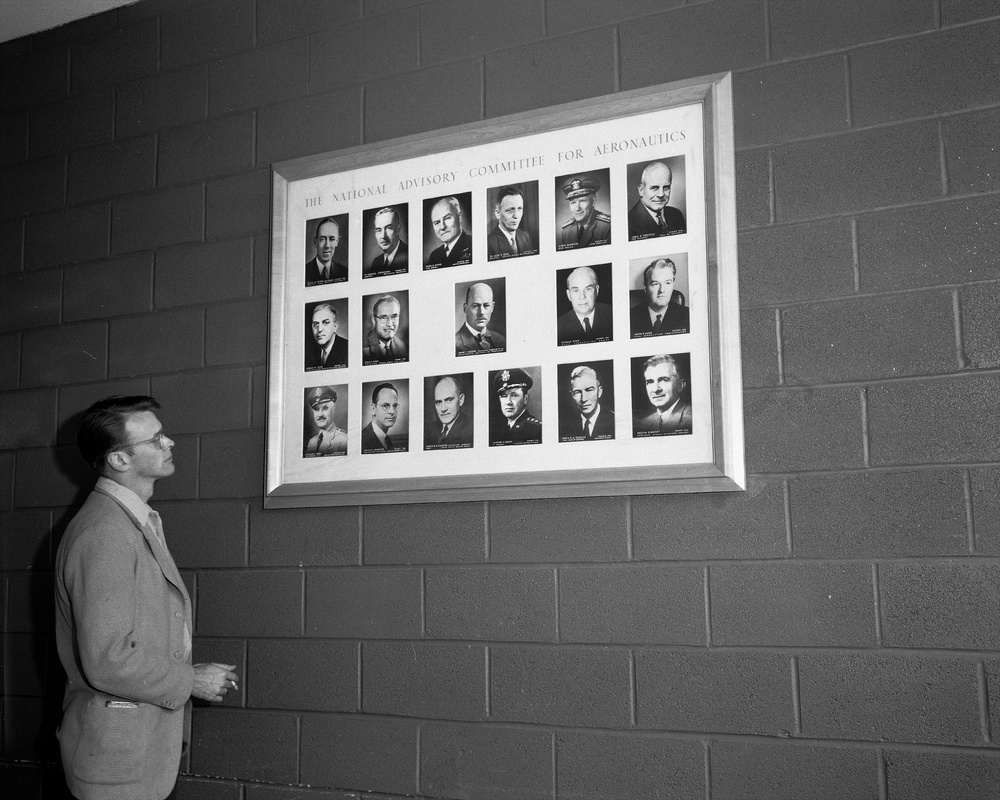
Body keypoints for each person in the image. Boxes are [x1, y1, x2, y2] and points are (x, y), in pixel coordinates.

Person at [54, 396, 238, 800]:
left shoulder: (127, 519)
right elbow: (108, 660)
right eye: (155, 439)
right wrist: (192, 680)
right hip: (116, 763)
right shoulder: (105, 533)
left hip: (134, 754)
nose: (168, 442)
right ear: (120, 460)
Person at [629, 258, 690, 337]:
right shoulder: (630, 317)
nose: (662, 290)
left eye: (667, 283)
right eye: (655, 284)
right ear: (645, 287)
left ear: (673, 284)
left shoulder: (687, 315)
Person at [635, 354, 692, 435]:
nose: (655, 389)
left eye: (664, 380)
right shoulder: (644, 423)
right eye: (650, 382)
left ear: (680, 385)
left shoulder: (692, 420)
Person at [627, 161, 686, 240]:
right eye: (654, 188)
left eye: (666, 187)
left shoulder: (676, 215)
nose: (661, 194)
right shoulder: (628, 223)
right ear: (641, 190)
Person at [556, 266, 613, 344]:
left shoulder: (613, 314)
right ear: (569, 295)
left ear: (596, 290)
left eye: (588, 289)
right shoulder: (558, 326)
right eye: (576, 291)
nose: (582, 297)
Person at [560, 365, 614, 442]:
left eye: (589, 390)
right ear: (571, 394)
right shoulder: (564, 428)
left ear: (600, 391)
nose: (583, 399)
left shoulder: (615, 422)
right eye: (577, 392)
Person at [491, 368, 541, 445]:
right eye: (504, 396)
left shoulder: (537, 429)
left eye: (514, 395)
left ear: (525, 398)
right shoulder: (500, 430)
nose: (508, 402)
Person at [558, 175, 611, 249]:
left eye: (582, 201)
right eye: (573, 202)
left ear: (593, 201)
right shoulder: (566, 231)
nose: (577, 208)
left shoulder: (607, 227)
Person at [455, 282, 506, 354]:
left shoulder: (501, 340)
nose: (481, 312)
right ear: (465, 308)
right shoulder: (454, 345)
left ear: (492, 307)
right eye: (475, 306)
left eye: (486, 305)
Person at [426, 375, 473, 448]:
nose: (443, 409)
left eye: (449, 400)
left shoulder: (471, 430)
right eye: (438, 402)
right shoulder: (429, 430)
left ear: (461, 400)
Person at [487, 186, 533, 258]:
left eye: (519, 208)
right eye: (510, 210)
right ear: (498, 213)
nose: (516, 216)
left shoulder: (526, 237)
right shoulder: (489, 243)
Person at [426, 196, 472, 268]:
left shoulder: (473, 243)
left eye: (447, 218)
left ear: (460, 216)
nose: (442, 227)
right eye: (437, 222)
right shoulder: (434, 256)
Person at [361, 382, 407, 452]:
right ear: (373, 408)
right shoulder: (362, 440)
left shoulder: (387, 440)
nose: (392, 411)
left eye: (395, 406)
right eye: (385, 405)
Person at [303, 386, 348, 456]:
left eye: (325, 408)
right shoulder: (311, 442)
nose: (320, 414)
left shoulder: (344, 440)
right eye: (316, 409)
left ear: (333, 409)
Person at [363, 294, 407, 364]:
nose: (389, 324)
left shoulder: (401, 346)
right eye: (383, 317)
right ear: (374, 320)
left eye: (394, 317)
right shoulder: (363, 348)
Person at [305, 302, 349, 370]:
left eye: (325, 323)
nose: (319, 329)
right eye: (316, 324)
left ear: (335, 326)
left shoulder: (348, 349)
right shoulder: (307, 352)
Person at [305, 217, 348, 285]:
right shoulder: (304, 272)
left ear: (337, 242)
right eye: (322, 239)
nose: (327, 245)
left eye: (332, 239)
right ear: (316, 242)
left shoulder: (345, 272)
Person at [368, 207, 408, 275]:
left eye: (389, 228)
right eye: (378, 230)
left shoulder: (409, 256)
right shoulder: (376, 262)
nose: (383, 236)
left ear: (398, 229)